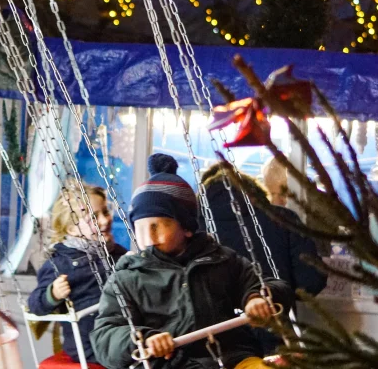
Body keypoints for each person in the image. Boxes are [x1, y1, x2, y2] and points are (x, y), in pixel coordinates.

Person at [91, 154, 292, 369]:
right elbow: (105, 334)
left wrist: (256, 298)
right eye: (140, 227)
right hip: (170, 364)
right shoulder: (128, 277)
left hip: (232, 357)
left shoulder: (220, 260)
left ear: (186, 227)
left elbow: (270, 285)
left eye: (158, 225)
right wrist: (142, 339)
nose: (148, 236)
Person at [199, 161, 327, 353]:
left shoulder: (193, 230)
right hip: (274, 335)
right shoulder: (283, 219)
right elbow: (311, 282)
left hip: (213, 344)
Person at [28, 183, 127, 364]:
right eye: (93, 218)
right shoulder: (60, 262)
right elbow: (35, 305)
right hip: (91, 344)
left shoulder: (117, 253)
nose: (105, 220)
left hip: (123, 330)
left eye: (105, 212)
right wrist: (53, 294)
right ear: (71, 229)